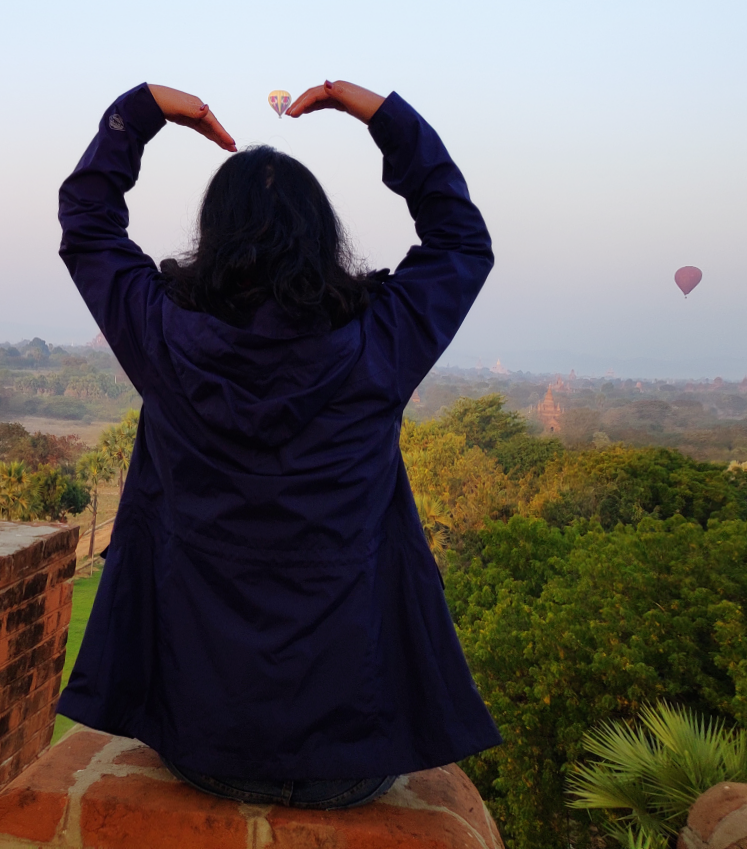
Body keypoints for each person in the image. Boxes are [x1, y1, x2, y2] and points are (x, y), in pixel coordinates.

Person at [54, 79, 499, 809]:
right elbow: (460, 241)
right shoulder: (379, 344)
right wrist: (382, 117)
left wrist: (139, 112)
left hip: (202, 746)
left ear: (216, 236)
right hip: (354, 756)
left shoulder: (163, 339)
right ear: (321, 236)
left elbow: (88, 224)